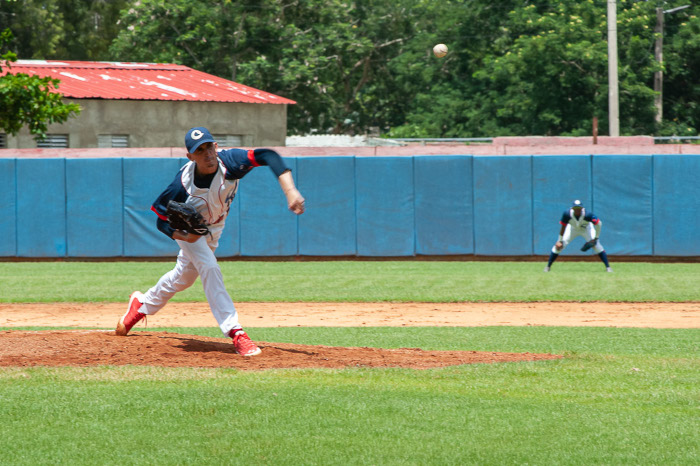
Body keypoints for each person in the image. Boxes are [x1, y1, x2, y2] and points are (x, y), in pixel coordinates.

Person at [116, 127, 305, 356]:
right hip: (191, 232)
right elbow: (161, 222)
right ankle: (236, 332)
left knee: (183, 278)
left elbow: (268, 155)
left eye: (209, 146)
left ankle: (142, 303)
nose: (207, 154)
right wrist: (186, 236)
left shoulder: (231, 163)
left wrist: (290, 191)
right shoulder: (181, 186)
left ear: (216, 146)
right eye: (200, 150)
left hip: (216, 227)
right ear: (190, 157)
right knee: (210, 267)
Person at [544, 200, 612, 273]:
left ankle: (608, 268)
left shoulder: (587, 214)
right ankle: (548, 267)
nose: (577, 210)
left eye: (579, 208)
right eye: (575, 208)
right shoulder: (567, 214)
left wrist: (596, 238)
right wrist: (559, 240)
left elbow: (599, 224)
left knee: (597, 246)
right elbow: (563, 226)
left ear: (582, 208)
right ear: (572, 208)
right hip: (572, 229)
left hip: (586, 229)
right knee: (559, 246)